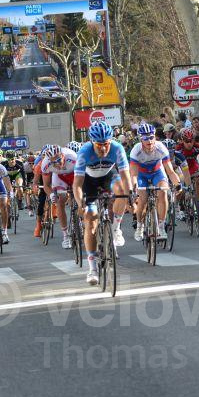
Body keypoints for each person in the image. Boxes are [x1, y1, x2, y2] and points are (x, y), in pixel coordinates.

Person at [73, 122, 131, 285]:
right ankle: (92, 268)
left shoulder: (117, 148)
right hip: (89, 182)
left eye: (106, 144)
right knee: (90, 220)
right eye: (99, 145)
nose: (104, 148)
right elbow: (77, 184)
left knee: (122, 191)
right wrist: (80, 203)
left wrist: (130, 196)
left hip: (108, 177)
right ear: (92, 142)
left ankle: (116, 228)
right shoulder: (84, 152)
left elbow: (126, 176)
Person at [130, 123, 182, 241]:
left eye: (151, 137)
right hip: (141, 175)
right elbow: (133, 174)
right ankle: (139, 225)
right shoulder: (136, 151)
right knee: (142, 199)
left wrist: (178, 184)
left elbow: (170, 171)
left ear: (155, 137)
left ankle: (161, 226)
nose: (149, 141)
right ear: (140, 139)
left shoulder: (161, 148)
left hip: (157, 172)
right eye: (145, 138)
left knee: (163, 192)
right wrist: (134, 187)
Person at [41, 144, 78, 249]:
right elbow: (46, 185)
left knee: (81, 197)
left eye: (59, 160)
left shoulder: (73, 156)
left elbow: (84, 175)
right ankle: (66, 236)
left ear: (63, 155)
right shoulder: (46, 164)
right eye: (54, 162)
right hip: (59, 177)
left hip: (75, 174)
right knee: (60, 201)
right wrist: (52, 194)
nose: (58, 164)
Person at [178, 127, 199, 218]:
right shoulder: (178, 148)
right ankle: (181, 208)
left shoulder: (198, 147)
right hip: (182, 168)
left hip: (193, 166)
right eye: (186, 141)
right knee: (181, 187)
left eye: (191, 141)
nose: (189, 143)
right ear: (182, 140)